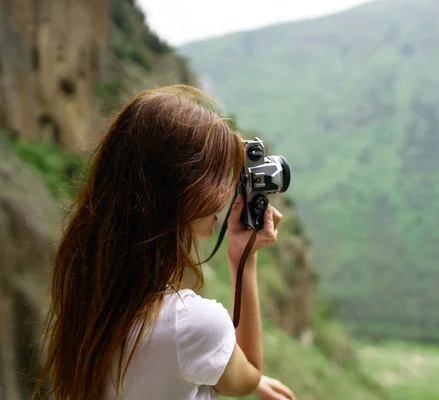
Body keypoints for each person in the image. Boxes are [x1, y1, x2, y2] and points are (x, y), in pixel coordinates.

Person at [35, 85, 296, 400]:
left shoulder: (92, 294)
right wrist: (245, 259)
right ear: (179, 189)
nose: (226, 196)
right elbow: (247, 375)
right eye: (216, 179)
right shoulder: (192, 325)